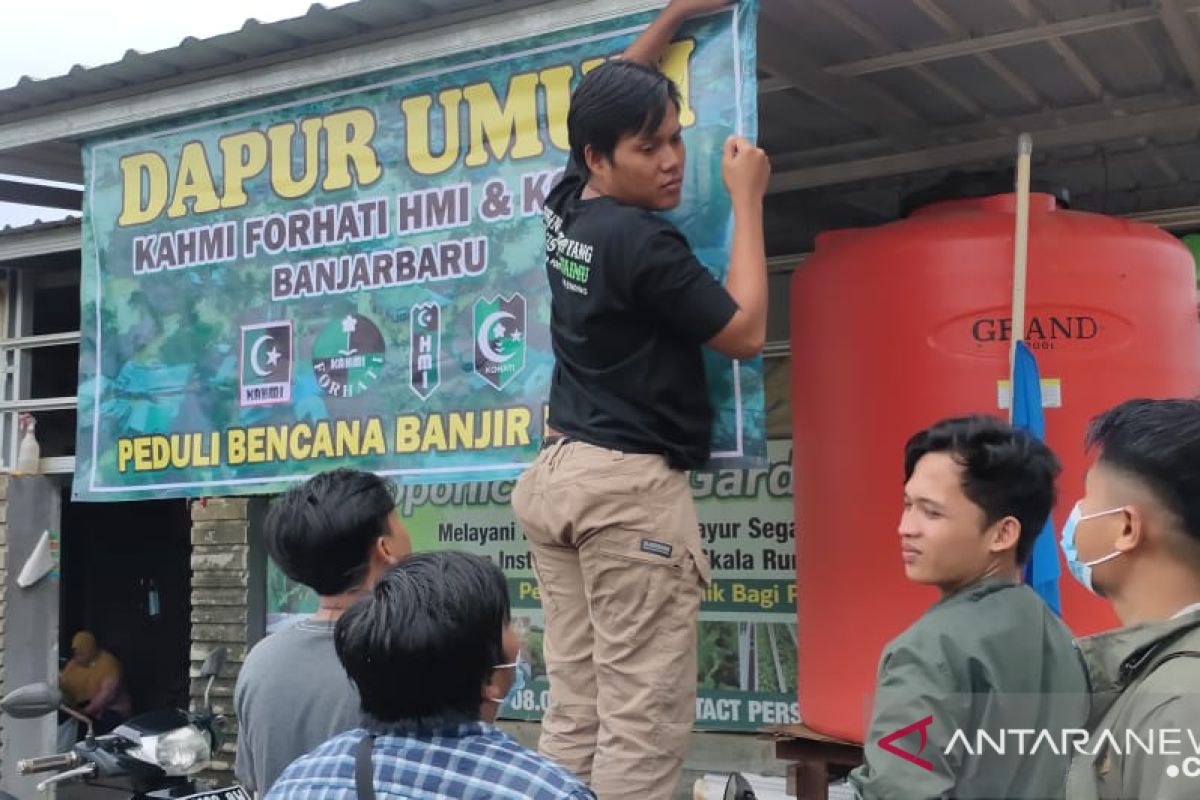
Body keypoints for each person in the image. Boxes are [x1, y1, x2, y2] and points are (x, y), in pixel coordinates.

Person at [510, 1, 769, 795]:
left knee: (578, 708)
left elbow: (614, 90)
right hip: (624, 492)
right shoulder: (641, 241)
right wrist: (748, 194)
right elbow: (746, 331)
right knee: (642, 719)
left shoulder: (567, 204)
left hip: (560, 479)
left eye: (675, 137)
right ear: (600, 156)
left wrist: (675, 15)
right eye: (649, 146)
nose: (672, 160)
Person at [848, 415, 1089, 799]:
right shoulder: (1058, 635)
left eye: (931, 512)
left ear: (1003, 533)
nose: (905, 527)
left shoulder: (930, 651)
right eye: (908, 504)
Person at [266, 551, 593, 800]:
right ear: (490, 677)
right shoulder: (546, 792)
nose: (518, 640)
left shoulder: (299, 783)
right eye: (507, 623)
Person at [234, 468, 411, 797]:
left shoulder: (260, 661)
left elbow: (253, 785)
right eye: (398, 521)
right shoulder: (405, 658)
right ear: (385, 547)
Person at [1063, 399, 1200, 799]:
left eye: (1087, 500)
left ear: (1126, 526)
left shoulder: (1180, 705)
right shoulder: (1161, 677)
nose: (1076, 516)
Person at [59, 630, 132, 733]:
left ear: (90, 650)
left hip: (111, 709)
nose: (77, 657)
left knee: (106, 723)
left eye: (81, 654)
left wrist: (83, 712)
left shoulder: (109, 665)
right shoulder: (74, 664)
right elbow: (65, 685)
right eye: (76, 653)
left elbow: (106, 696)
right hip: (85, 708)